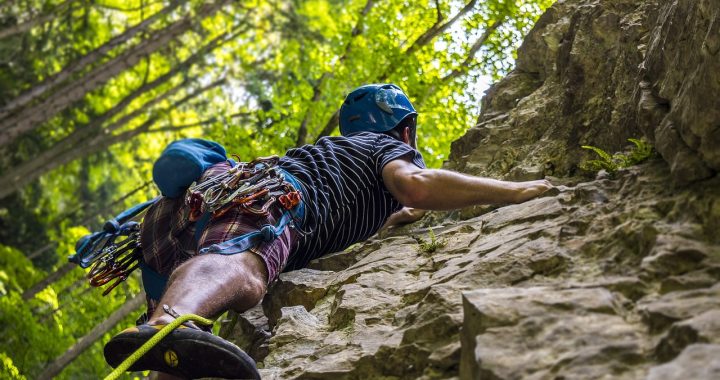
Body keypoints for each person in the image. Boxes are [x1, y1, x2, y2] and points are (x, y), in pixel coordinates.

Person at [103, 83, 553, 379]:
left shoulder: (340, 162)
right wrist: (514, 191)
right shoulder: (385, 147)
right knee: (245, 270)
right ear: (405, 129)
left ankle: (164, 329)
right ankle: (165, 321)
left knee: (175, 351)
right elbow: (414, 186)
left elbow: (393, 211)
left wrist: (401, 217)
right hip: (269, 197)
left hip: (173, 224)